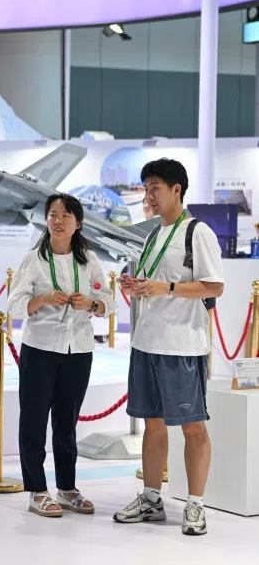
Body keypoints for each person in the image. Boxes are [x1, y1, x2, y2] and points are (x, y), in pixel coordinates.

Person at [114, 158, 224, 536]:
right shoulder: (151, 236)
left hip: (182, 346)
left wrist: (168, 288)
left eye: (155, 188)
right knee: (152, 425)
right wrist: (136, 286)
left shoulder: (197, 233)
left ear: (177, 189)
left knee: (193, 427)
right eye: (146, 189)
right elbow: (154, 282)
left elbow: (214, 286)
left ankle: (196, 505)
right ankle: (151, 499)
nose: (149, 196)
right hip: (147, 343)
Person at [8, 194, 116, 518]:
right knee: (34, 421)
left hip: (78, 350)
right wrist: (41, 299)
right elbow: (14, 305)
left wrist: (92, 305)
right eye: (52, 215)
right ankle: (37, 490)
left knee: (67, 423)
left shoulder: (89, 260)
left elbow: (109, 300)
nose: (58, 221)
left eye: (66, 216)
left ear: (77, 224)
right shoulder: (33, 259)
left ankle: (67, 488)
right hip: (40, 348)